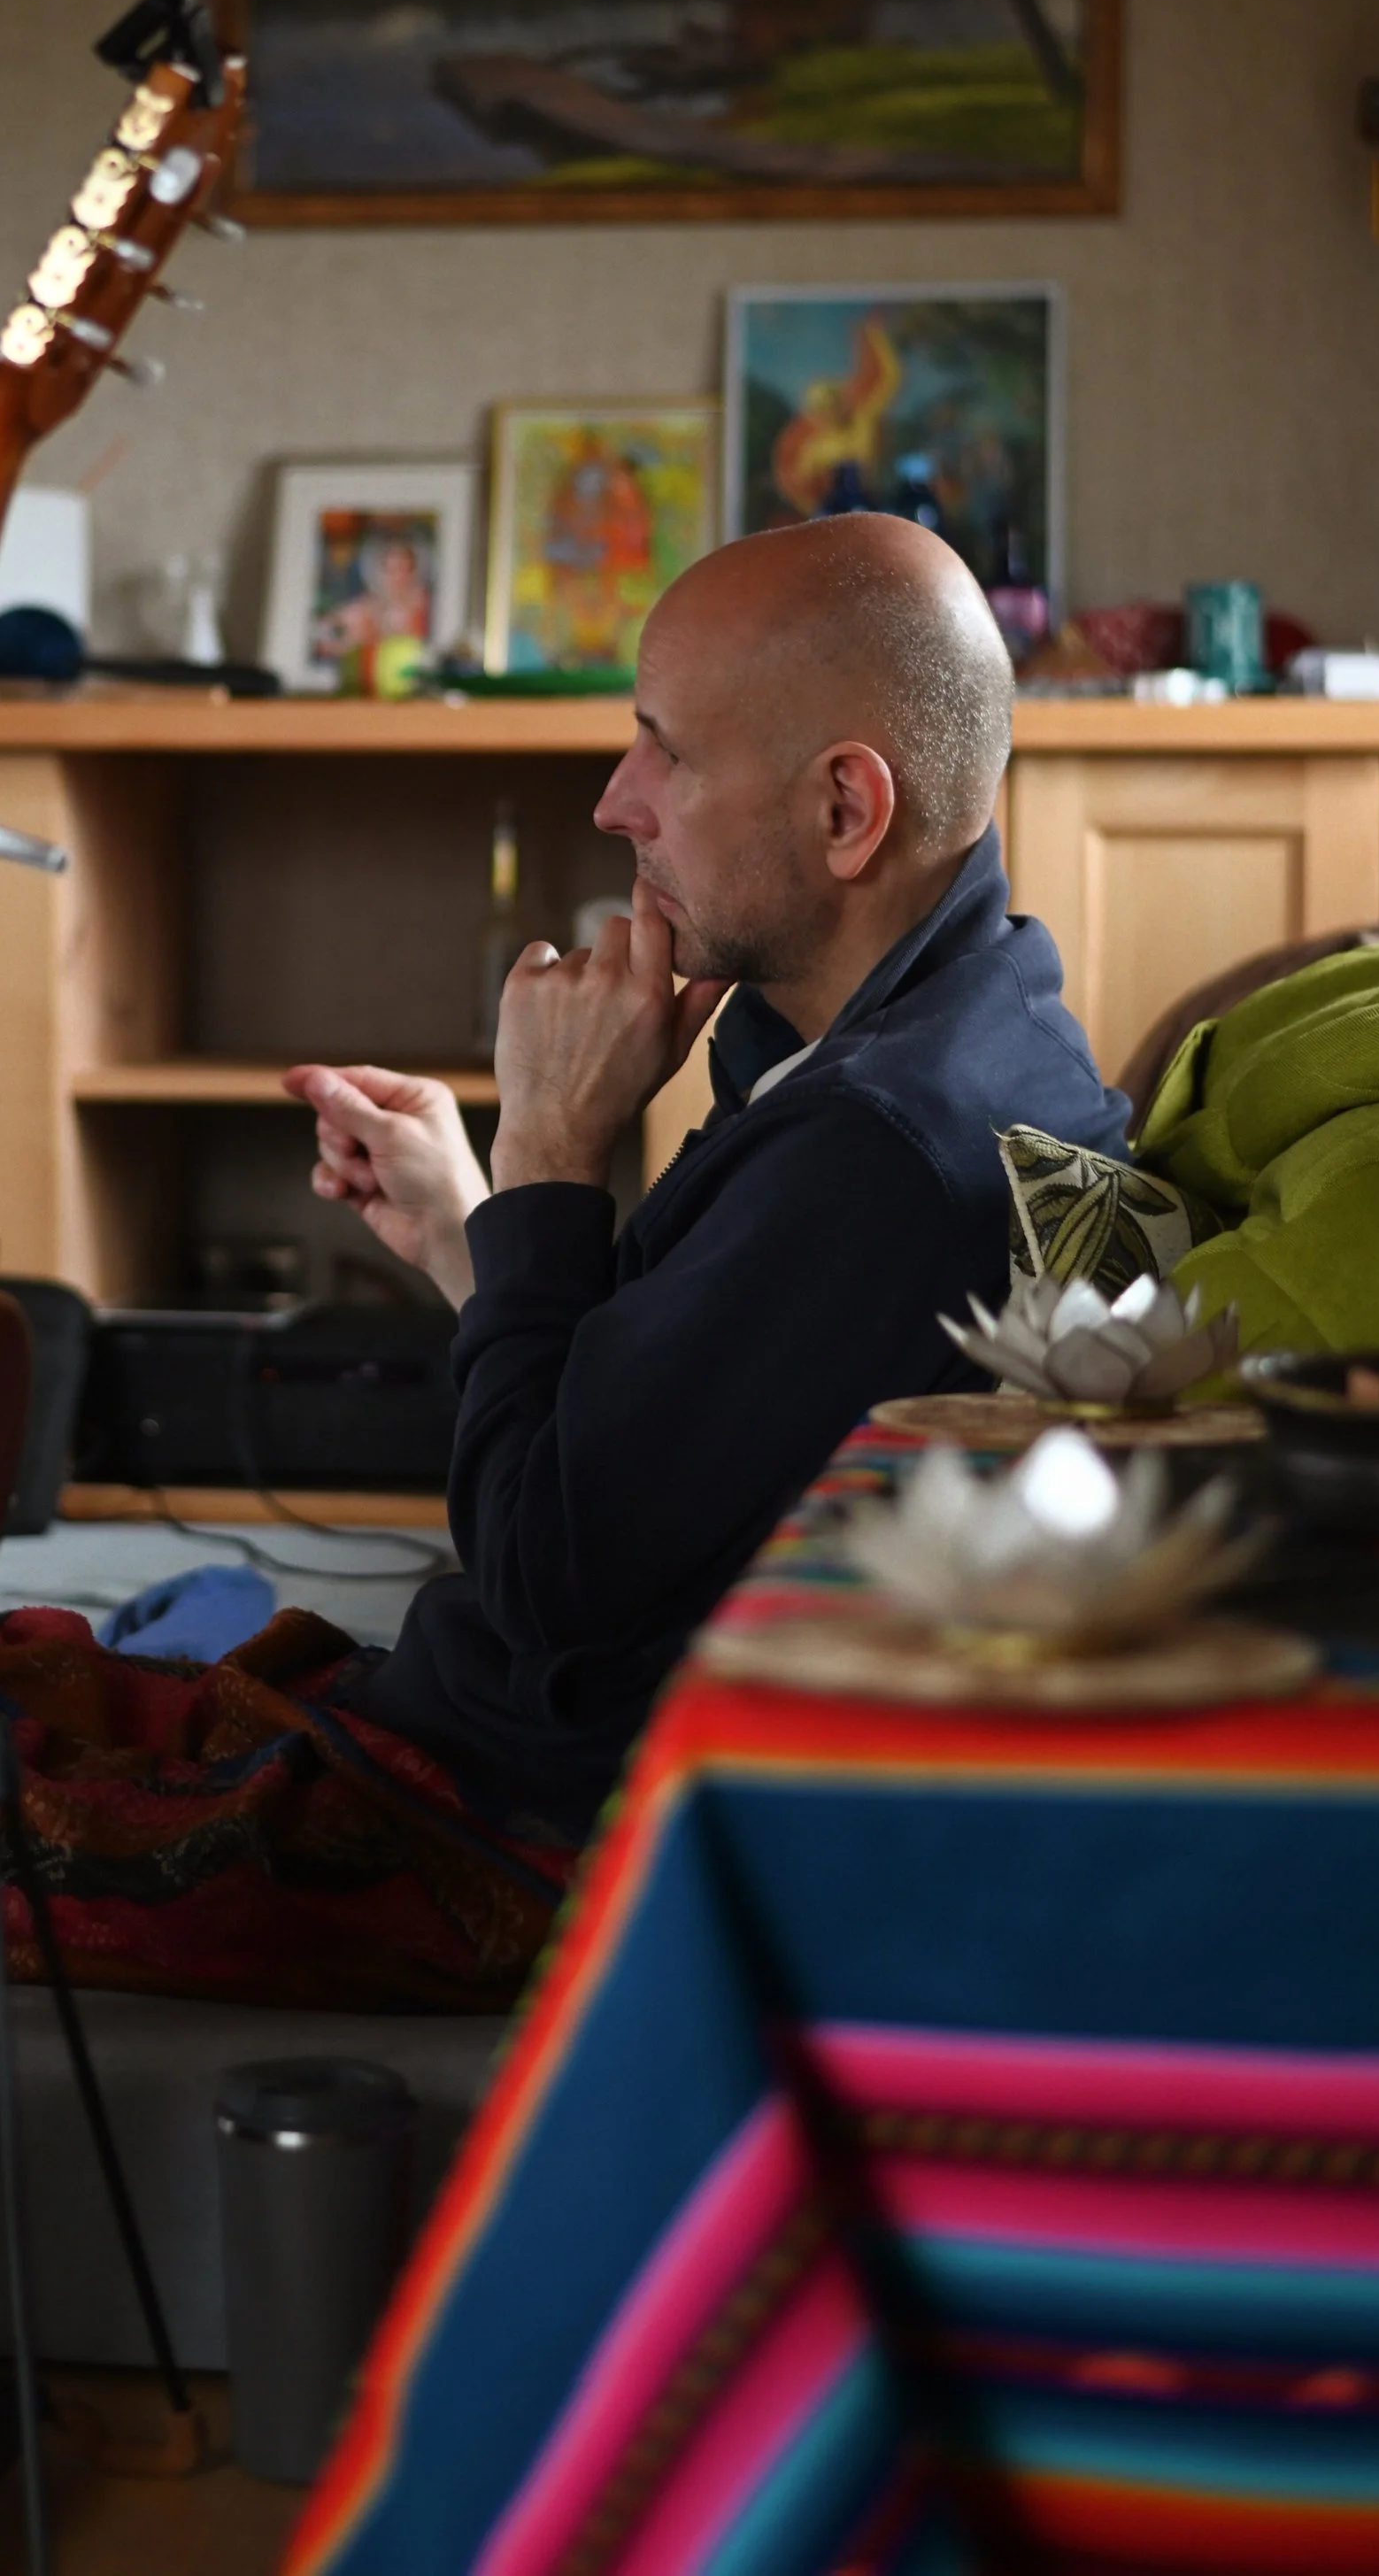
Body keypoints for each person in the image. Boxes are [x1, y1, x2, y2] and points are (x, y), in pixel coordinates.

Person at [285, 514, 1129, 1845]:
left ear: (845, 809)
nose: (616, 800)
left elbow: (541, 1579)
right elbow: (679, 1415)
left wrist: (550, 1156)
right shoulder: (983, 1023)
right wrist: (478, 1237)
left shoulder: (876, 1149)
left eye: (663, 750)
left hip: (547, 1806)